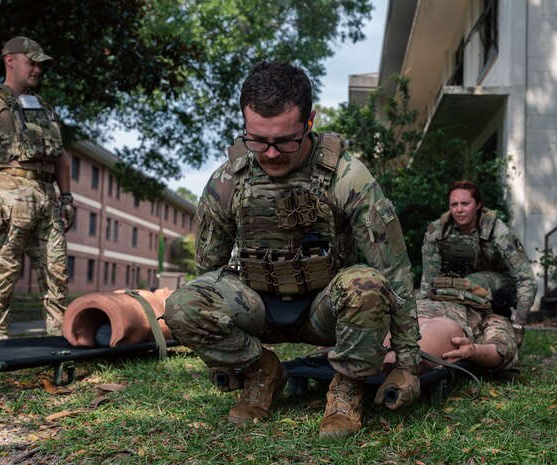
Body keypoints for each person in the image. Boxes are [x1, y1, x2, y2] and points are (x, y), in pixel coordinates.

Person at [164, 61, 421, 439]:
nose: (270, 154)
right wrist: (221, 354)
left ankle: (347, 388)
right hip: (258, 307)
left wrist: (408, 363)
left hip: (325, 310)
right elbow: (208, 274)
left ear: (310, 121)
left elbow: (394, 269)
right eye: (257, 140)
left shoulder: (347, 176)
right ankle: (261, 372)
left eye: (285, 140)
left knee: (367, 283)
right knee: (182, 304)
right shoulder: (227, 181)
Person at [0, 36, 75, 341]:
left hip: (46, 199)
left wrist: (66, 198)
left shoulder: (44, 107)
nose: (38, 69)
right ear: (10, 60)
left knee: (56, 274)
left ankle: (60, 341)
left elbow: (61, 158)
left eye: (41, 64)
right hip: (9, 195)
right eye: (33, 62)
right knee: (2, 271)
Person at [417, 180, 537, 371]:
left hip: (495, 288)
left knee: (476, 281)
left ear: (478, 205)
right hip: (454, 293)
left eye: (465, 204)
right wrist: (425, 304)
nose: (459, 210)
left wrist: (518, 326)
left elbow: (526, 280)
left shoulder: (498, 232)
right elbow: (428, 279)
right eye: (454, 205)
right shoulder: (439, 230)